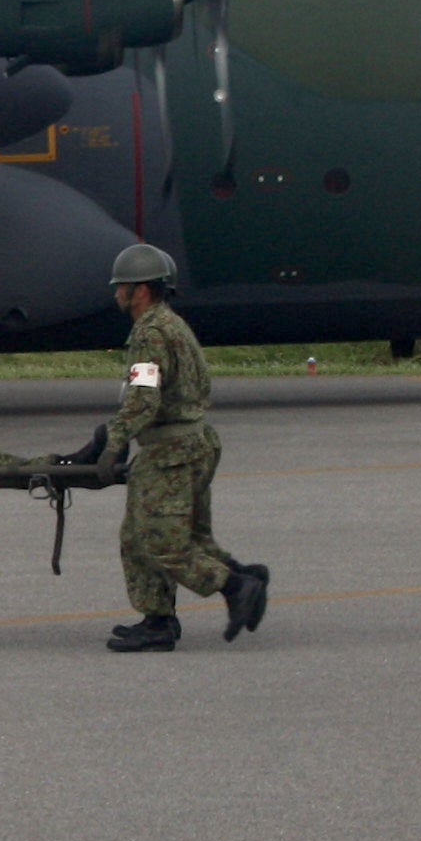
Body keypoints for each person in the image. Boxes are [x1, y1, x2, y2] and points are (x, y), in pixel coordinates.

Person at [97, 243, 268, 653]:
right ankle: (162, 618)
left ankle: (235, 585)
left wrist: (114, 441)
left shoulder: (150, 333)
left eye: (121, 287)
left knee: (159, 540)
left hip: (170, 451)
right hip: (192, 443)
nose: (117, 294)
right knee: (157, 535)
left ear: (140, 290)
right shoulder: (173, 324)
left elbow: (143, 398)